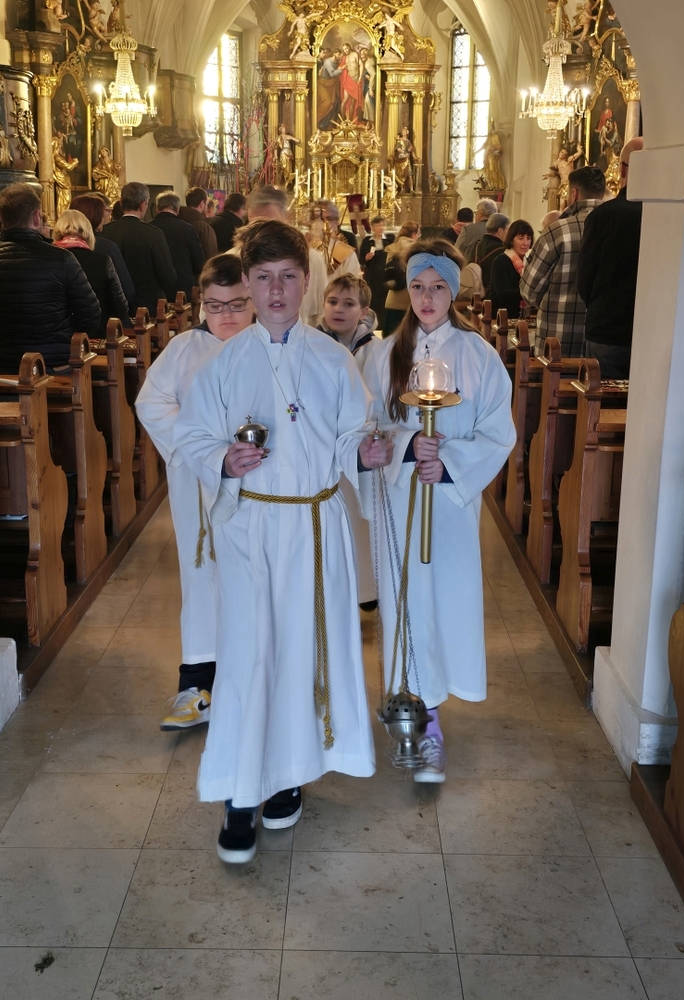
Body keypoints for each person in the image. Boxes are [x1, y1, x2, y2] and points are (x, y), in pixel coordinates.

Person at [174, 219, 392, 863]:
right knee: (249, 656)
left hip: (315, 528)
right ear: (247, 282)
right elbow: (191, 435)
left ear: (305, 283)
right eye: (263, 277)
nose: (275, 290)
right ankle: (240, 792)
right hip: (251, 526)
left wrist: (367, 452)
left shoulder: (332, 359)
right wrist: (222, 459)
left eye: (288, 277)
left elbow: (352, 433)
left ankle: (289, 773)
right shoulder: (224, 362)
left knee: (303, 653)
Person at [361, 240, 516, 781]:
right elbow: (362, 425)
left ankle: (428, 718)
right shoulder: (380, 355)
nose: (426, 298)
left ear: (454, 291)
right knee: (405, 604)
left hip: (448, 505)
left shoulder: (479, 356)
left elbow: (498, 432)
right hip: (397, 497)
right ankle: (414, 712)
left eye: (438, 287)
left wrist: (448, 464)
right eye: (418, 287)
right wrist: (406, 446)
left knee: (441, 602)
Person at [136, 254, 254, 732]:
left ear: (253, 299)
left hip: (259, 485)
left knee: (256, 578)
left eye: (236, 304)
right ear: (202, 304)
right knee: (203, 575)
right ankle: (197, 684)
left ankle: (253, 681)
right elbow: (151, 402)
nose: (226, 315)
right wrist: (202, 450)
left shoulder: (268, 346)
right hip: (200, 487)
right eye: (215, 305)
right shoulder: (184, 349)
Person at [0, 183, 100, 373]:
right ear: (37, 216)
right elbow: (91, 316)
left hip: (9, 367)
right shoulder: (62, 259)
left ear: (1, 218)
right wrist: (60, 331)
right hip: (58, 366)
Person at [317, 272, 378, 608]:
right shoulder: (311, 345)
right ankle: (328, 590)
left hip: (361, 450)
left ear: (364, 312)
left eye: (348, 304)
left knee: (361, 517)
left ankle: (366, 589)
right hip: (323, 447)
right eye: (332, 302)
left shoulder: (375, 351)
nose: (338, 309)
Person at [520, 166, 606, 356]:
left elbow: (529, 291)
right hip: (603, 345)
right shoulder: (618, 228)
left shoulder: (557, 231)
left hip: (557, 344)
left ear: (574, 194)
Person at [577, 138, 644, 379]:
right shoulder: (669, 215)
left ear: (622, 169)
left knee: (600, 398)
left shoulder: (602, 216)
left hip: (607, 329)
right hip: (651, 332)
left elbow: (585, 279)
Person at [241, 185, 328, 327]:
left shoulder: (312, 259)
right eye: (255, 224)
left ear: (285, 218)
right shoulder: (233, 259)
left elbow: (323, 314)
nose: (264, 232)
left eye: (270, 223)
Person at [52, 209, 131, 337]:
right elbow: (120, 306)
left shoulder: (47, 262)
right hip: (97, 336)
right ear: (88, 232)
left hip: (58, 338)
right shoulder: (102, 261)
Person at [102, 181, 177, 316]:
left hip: (114, 307)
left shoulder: (105, 232)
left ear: (121, 202)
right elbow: (168, 277)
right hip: (149, 308)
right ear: (143, 205)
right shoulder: (154, 234)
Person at [72, 193, 136, 308]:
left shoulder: (57, 247)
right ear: (94, 216)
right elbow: (126, 290)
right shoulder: (107, 247)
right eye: (101, 214)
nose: (105, 218)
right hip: (104, 313)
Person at [149, 190, 205, 302]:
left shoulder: (148, 228)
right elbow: (199, 262)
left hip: (156, 290)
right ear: (177, 209)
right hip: (182, 290)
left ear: (157, 208)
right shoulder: (187, 229)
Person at [489, 219, 534, 319]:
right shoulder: (501, 261)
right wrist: (530, 292)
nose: (525, 243)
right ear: (511, 240)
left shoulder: (529, 261)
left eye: (528, 238)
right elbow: (503, 294)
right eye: (521, 238)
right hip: (502, 316)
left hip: (523, 315)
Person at [382, 220, 420, 336]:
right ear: (414, 234)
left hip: (392, 298)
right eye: (418, 234)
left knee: (390, 337)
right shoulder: (416, 248)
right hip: (409, 300)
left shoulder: (392, 247)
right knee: (407, 338)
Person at [359, 215, 394, 329]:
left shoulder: (389, 239)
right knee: (373, 300)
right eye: (378, 225)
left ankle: (384, 325)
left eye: (382, 225)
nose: (380, 228)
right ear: (372, 227)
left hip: (385, 274)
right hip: (372, 276)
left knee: (384, 300)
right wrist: (366, 258)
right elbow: (361, 259)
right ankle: (372, 325)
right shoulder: (367, 241)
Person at [178, 187, 219, 261]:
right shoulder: (204, 228)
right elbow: (211, 258)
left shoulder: (176, 221)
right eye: (206, 204)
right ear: (202, 204)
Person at [475, 212, 510, 293]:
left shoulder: (475, 244)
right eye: (508, 229)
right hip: (491, 294)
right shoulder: (502, 250)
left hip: (474, 291)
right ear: (500, 231)